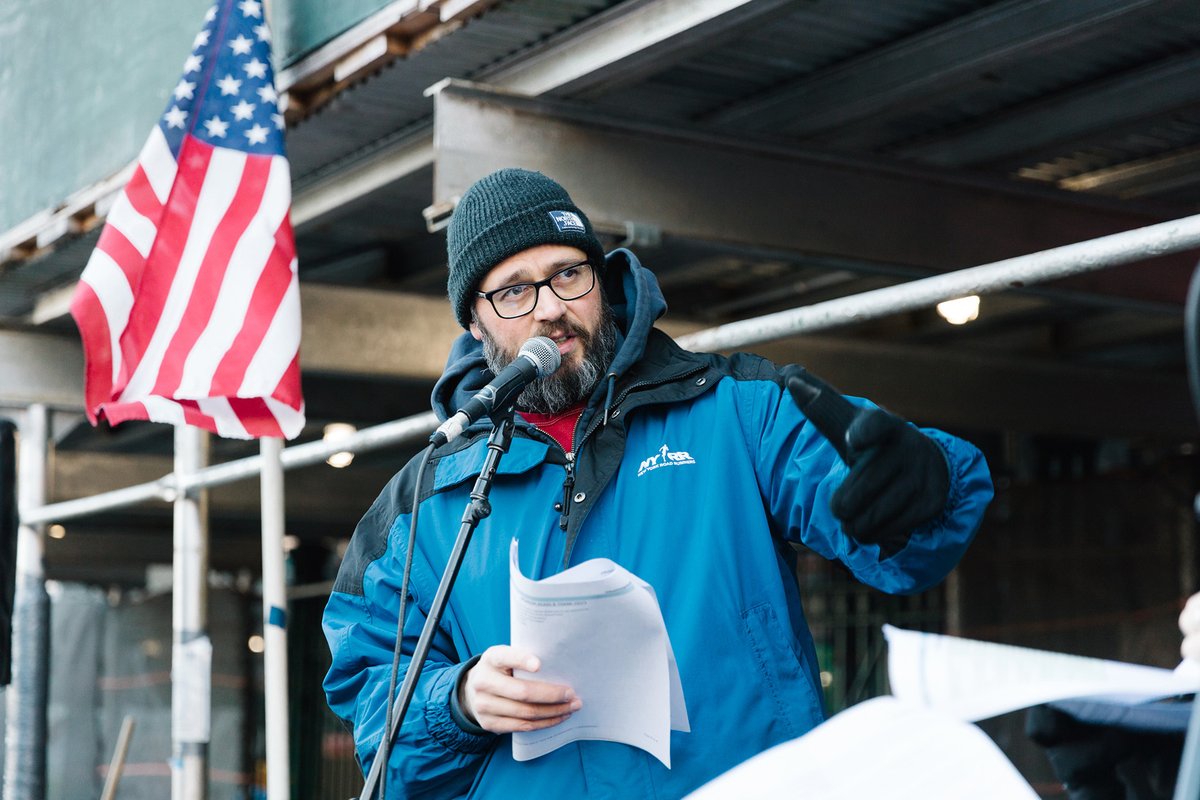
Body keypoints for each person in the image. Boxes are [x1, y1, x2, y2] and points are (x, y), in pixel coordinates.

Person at [322, 168, 994, 799]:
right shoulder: (425, 500)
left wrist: (917, 484)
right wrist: (458, 701)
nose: (550, 310)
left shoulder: (736, 408)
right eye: (514, 291)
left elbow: (900, 521)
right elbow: (374, 701)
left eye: (568, 275)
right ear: (475, 321)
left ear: (601, 282)